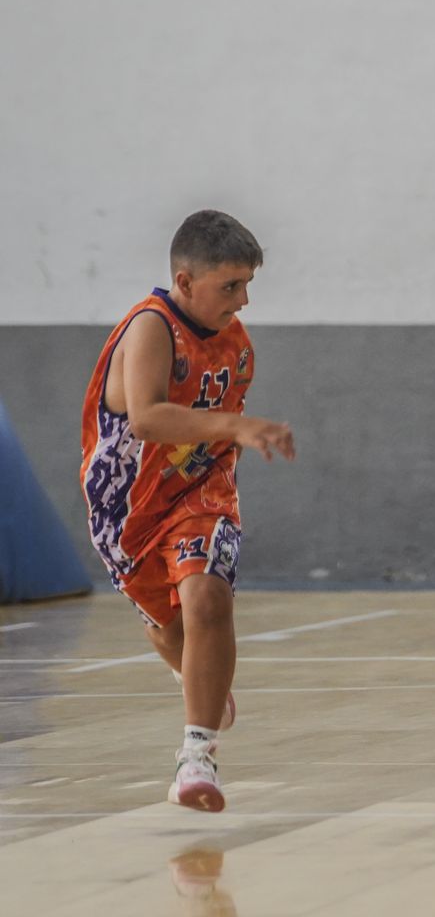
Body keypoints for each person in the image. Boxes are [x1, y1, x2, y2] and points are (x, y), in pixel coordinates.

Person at [79, 210, 296, 811]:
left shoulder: (235, 344)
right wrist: (237, 423)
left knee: (206, 596)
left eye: (248, 284)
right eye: (231, 286)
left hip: (202, 487)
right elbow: (147, 419)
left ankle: (195, 758)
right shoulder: (151, 328)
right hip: (127, 505)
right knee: (169, 628)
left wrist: (232, 435)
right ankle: (200, 683)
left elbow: (211, 432)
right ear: (184, 281)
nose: (244, 299)